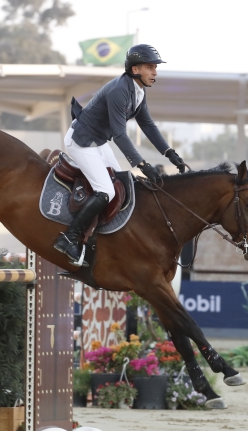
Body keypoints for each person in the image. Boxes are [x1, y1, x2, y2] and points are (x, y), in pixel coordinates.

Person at [54, 44, 187, 266]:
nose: (155, 72)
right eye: (150, 67)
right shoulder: (119, 90)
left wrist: (170, 153)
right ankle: (69, 238)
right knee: (105, 190)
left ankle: (100, 238)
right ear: (135, 70)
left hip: (98, 142)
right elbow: (119, 135)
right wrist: (142, 165)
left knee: (121, 184)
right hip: (82, 142)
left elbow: (149, 126)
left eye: (155, 67)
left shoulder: (138, 91)